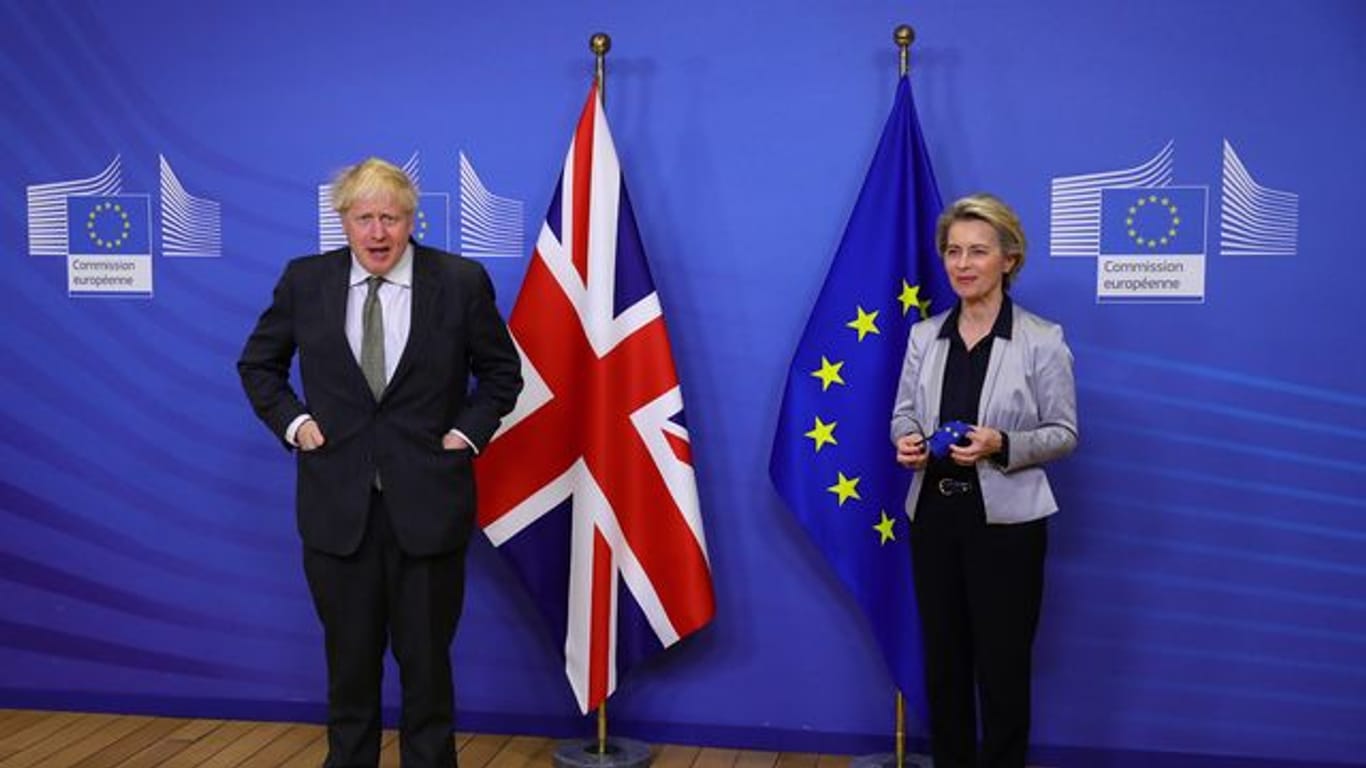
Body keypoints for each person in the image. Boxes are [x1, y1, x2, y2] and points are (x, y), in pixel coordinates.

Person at [238, 157, 522, 767]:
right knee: (349, 667)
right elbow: (258, 365)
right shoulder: (304, 281)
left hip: (428, 507)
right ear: (342, 220)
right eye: (364, 218)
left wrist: (464, 436)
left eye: (390, 218)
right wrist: (296, 424)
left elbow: (503, 374)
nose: (377, 233)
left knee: (426, 668)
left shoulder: (461, 281)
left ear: (411, 219)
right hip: (337, 511)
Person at [890, 193, 1078, 768]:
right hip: (934, 520)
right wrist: (907, 441)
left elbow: (1065, 432)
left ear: (1009, 260)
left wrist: (1003, 445)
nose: (962, 264)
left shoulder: (1042, 339)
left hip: (1008, 528)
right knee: (944, 663)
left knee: (1002, 665)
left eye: (977, 251)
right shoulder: (925, 336)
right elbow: (903, 412)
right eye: (952, 251)